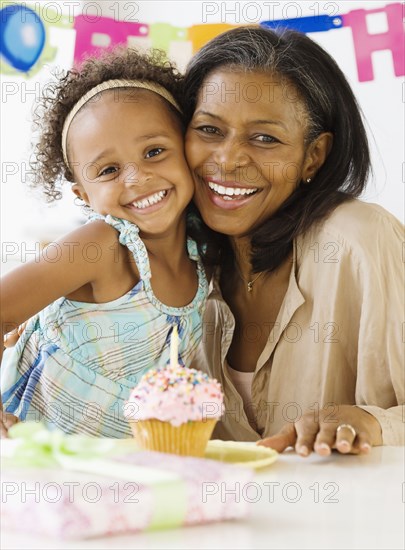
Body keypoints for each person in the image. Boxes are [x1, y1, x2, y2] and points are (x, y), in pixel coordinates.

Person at [183, 26, 404, 455]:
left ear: (314, 155)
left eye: (265, 138)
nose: (227, 159)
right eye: (209, 129)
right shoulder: (171, 260)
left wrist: (374, 423)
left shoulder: (360, 242)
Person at [0, 47, 208, 438]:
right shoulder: (101, 246)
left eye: (154, 152)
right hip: (35, 462)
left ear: (186, 149)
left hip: (116, 474)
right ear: (83, 195)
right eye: (109, 170)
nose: (136, 177)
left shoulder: (205, 253)